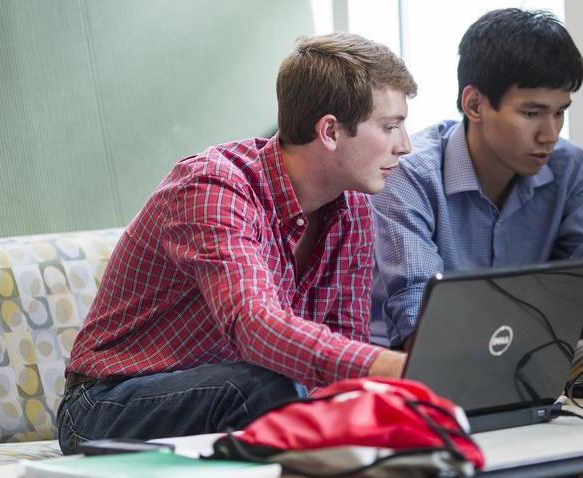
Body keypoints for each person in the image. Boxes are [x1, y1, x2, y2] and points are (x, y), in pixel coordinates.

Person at [57, 32, 416, 453]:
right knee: (263, 386)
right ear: (331, 131)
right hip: (104, 407)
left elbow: (344, 345)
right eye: (390, 126)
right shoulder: (213, 188)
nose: (405, 146)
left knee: (352, 402)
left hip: (241, 390)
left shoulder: (352, 206)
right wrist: (392, 366)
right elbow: (253, 326)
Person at [372, 8, 583, 380]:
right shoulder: (411, 174)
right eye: (532, 113)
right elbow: (419, 324)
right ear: (475, 105)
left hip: (523, 353)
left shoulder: (566, 166)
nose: (550, 133)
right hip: (420, 362)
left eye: (559, 113)